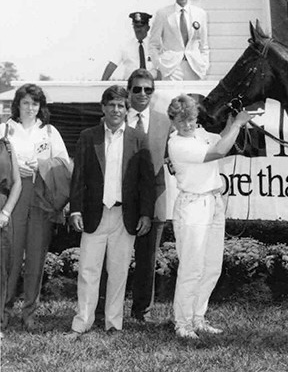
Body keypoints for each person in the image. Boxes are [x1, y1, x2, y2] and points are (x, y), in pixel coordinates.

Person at [65, 85, 154, 338]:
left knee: (118, 271)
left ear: (127, 110)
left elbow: (145, 181)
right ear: (103, 108)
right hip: (94, 214)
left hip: (124, 216)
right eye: (111, 105)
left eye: (121, 106)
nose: (116, 110)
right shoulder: (88, 136)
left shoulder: (138, 137)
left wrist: (146, 213)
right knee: (88, 271)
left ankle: (114, 324)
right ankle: (81, 322)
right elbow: (78, 176)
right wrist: (75, 210)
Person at [166, 95, 252, 339]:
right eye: (182, 120)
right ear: (173, 121)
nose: (188, 124)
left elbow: (221, 138)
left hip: (213, 201)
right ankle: (182, 324)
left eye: (191, 119)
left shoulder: (199, 133)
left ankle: (198, 317)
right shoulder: (178, 144)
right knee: (192, 268)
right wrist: (238, 124)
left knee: (212, 266)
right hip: (192, 204)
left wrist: (234, 120)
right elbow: (218, 152)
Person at [1, 84, 69, 332]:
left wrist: (41, 164)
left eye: (35, 103)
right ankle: (4, 310)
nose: (30, 108)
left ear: (41, 107)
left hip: (41, 197)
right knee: (10, 255)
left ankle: (29, 311)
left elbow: (63, 163)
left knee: (36, 257)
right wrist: (12, 168)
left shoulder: (49, 132)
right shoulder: (5, 129)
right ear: (17, 104)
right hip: (13, 197)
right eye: (26, 102)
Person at [126, 69, 172, 321]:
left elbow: (172, 155)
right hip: (121, 200)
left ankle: (142, 311)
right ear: (128, 91)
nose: (142, 94)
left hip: (154, 199)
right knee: (115, 259)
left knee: (147, 260)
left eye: (148, 89)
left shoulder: (164, 121)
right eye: (137, 89)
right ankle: (108, 310)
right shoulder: (116, 119)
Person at [149, 0, 210, 81]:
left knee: (193, 98)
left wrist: (204, 64)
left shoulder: (200, 14)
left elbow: (204, 45)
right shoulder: (163, 14)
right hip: (171, 68)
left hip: (194, 66)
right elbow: (153, 44)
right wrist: (159, 65)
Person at [0, 126, 22, 339]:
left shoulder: (6, 146)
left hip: (2, 212)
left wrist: (6, 212)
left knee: (1, 269)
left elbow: (17, 183)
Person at [101, 12, 156, 81]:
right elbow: (112, 64)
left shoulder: (155, 45)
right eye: (136, 26)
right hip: (130, 86)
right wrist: (101, 85)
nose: (138, 30)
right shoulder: (125, 46)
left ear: (148, 28)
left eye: (141, 26)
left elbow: (162, 68)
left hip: (151, 85)